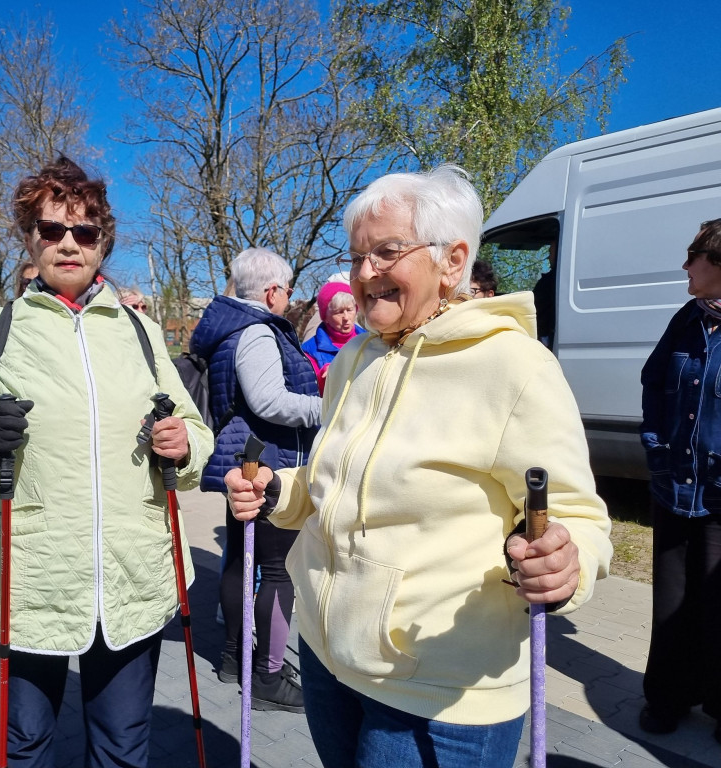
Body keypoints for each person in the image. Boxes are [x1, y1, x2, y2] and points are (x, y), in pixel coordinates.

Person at [225, 165, 612, 768]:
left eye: (386, 251)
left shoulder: (513, 366)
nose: (363, 274)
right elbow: (333, 476)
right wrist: (275, 488)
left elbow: (575, 514)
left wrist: (570, 561)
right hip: (330, 656)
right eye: (356, 256)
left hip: (440, 689)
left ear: (452, 262)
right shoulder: (356, 357)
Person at [0, 156, 212, 768]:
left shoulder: (141, 331)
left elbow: (194, 430)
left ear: (104, 240)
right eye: (51, 230)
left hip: (132, 572)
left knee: (124, 744)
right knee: (24, 745)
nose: (69, 244)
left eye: (85, 232)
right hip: (30, 574)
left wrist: (183, 445)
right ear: (29, 239)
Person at [190, 247, 322, 713]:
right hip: (264, 460)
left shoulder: (234, 328)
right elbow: (269, 401)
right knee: (275, 568)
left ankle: (235, 657)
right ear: (272, 292)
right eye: (286, 290)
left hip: (246, 456)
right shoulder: (257, 332)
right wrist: (326, 409)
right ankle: (266, 674)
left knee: (242, 562)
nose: (288, 297)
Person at [639, 218, 721, 742]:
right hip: (674, 487)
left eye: (694, 257)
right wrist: (655, 447)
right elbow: (652, 380)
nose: (685, 266)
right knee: (670, 601)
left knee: (717, 603)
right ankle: (666, 699)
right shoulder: (686, 320)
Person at [301, 281, 365, 393]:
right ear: (325, 317)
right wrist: (323, 379)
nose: (346, 317)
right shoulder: (309, 351)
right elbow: (307, 392)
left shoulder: (370, 340)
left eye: (350, 310)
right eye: (339, 312)